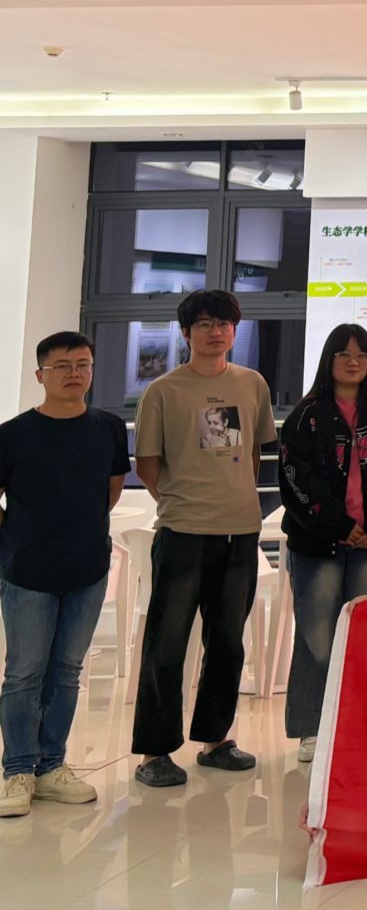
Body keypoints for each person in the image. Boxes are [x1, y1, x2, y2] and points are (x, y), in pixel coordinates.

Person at [131, 288, 275, 788]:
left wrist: (231, 497)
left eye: (224, 324)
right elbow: (148, 464)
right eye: (205, 324)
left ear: (234, 331)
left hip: (240, 532)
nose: (216, 332)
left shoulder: (252, 383)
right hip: (183, 532)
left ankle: (216, 741)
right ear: (186, 332)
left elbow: (253, 452)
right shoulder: (164, 390)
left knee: (228, 643)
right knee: (167, 643)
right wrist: (183, 501)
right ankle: (154, 752)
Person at [0, 332, 128, 817]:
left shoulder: (108, 428)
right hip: (28, 569)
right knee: (24, 673)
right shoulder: (12, 434)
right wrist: (16, 539)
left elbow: (110, 491)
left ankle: (50, 767)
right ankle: (17, 770)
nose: (75, 373)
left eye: (83, 364)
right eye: (62, 366)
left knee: (67, 672)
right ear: (41, 376)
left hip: (88, 567)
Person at [279, 324, 367, 762]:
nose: (354, 362)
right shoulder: (307, 415)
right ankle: (312, 728)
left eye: (362, 355)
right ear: (330, 360)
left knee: (365, 633)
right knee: (317, 635)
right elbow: (296, 481)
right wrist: (339, 525)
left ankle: (359, 723)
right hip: (318, 543)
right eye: (344, 354)